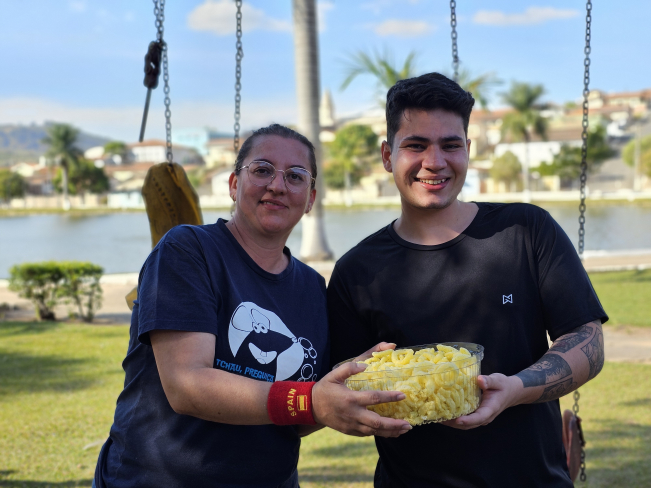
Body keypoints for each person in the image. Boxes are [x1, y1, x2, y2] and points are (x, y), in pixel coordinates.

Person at [327, 73, 607, 487]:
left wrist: (516, 388)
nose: (434, 161)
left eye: (450, 145)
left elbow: (588, 341)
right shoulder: (357, 270)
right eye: (416, 145)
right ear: (388, 155)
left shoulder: (526, 229)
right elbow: (344, 396)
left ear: (468, 151)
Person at [94, 124, 411, 488]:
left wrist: (352, 385)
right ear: (234, 184)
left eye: (295, 176)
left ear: (310, 199)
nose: (277, 185)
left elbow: (300, 416)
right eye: (262, 170)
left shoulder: (312, 286)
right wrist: (310, 400)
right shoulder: (187, 250)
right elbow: (186, 384)